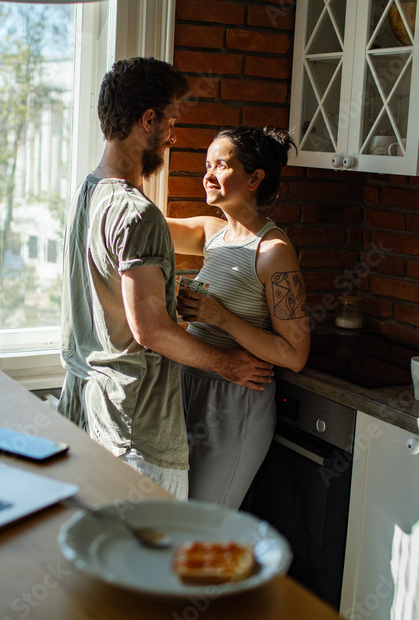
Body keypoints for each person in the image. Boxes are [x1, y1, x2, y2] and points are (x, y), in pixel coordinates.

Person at [59, 58, 274, 500]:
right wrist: (225, 363)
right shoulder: (139, 214)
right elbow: (151, 330)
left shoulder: (87, 193)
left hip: (89, 411)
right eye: (171, 122)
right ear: (148, 120)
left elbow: (118, 304)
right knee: (149, 567)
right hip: (137, 431)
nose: (174, 136)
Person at [167, 126, 311, 509]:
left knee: (201, 523)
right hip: (189, 385)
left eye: (221, 165)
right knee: (174, 517)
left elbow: (295, 353)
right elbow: (143, 227)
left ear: (254, 179)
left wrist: (221, 318)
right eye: (206, 165)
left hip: (235, 401)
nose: (208, 175)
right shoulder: (211, 232)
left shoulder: (274, 251)